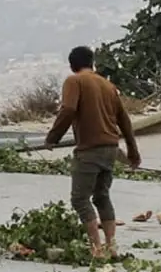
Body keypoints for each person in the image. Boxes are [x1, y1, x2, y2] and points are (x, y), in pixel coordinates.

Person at [43, 45, 141, 259]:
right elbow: (124, 120)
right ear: (92, 63)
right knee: (101, 196)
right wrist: (133, 151)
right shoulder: (107, 85)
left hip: (90, 150)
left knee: (80, 199)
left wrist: (53, 137)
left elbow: (68, 109)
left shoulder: (74, 81)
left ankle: (96, 248)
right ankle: (111, 246)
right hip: (111, 148)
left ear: (72, 65)